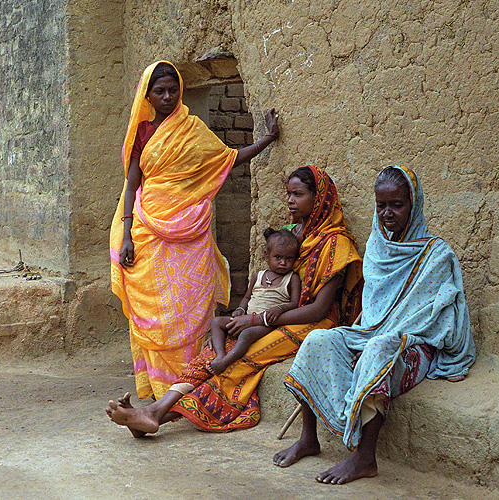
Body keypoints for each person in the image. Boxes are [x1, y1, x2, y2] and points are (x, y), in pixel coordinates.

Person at [106, 166, 363, 436]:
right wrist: (249, 314)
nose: (290, 201)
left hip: (310, 323)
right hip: (272, 315)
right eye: (288, 194)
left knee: (235, 362)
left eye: (298, 194)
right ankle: (152, 412)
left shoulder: (337, 244)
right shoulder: (292, 234)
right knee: (211, 354)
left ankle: (157, 415)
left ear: (319, 198)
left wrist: (257, 319)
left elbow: (319, 309)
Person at [273, 165, 476, 485]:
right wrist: (368, 333)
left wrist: (389, 338)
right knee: (318, 340)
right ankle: (309, 438)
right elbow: (374, 310)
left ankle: (365, 457)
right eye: (381, 205)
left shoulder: (436, 254)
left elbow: (445, 314)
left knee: (378, 349)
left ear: (414, 204)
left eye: (397, 205)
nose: (387, 213)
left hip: (411, 346)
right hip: (370, 333)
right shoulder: (378, 248)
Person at [110, 61, 281, 401]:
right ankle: (160, 387)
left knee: (191, 304)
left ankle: (191, 381)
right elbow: (131, 185)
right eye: (160, 91)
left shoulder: (192, 129)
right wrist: (127, 233)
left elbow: (227, 159)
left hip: (190, 232)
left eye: (173, 90)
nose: (167, 97)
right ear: (147, 96)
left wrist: (267, 139)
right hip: (147, 229)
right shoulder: (142, 133)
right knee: (155, 310)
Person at [207, 228, 302, 376]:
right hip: (247, 317)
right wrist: (240, 309)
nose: (283, 263)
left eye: (289, 259)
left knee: (246, 334)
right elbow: (247, 297)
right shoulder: (259, 276)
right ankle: (220, 355)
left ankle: (225, 362)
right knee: (216, 322)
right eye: (278, 257)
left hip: (266, 323)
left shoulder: (292, 278)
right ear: (266, 256)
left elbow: (295, 303)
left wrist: (280, 308)